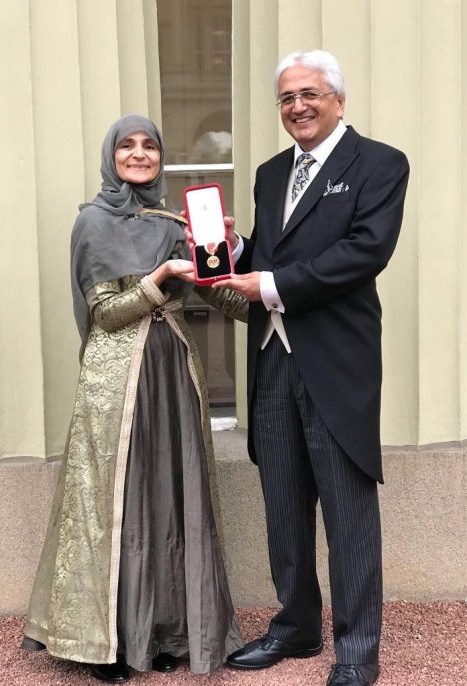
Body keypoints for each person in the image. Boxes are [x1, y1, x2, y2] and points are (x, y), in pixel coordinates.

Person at [21, 114, 246, 682]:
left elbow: (230, 304)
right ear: (112, 156)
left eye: (150, 145)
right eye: (128, 146)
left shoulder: (173, 221)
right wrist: (160, 276)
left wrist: (228, 251)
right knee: (118, 504)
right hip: (117, 381)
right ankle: (108, 644)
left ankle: (165, 631)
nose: (141, 154)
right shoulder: (93, 222)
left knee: (170, 498)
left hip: (172, 372)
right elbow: (105, 315)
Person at [217, 50, 410, 686]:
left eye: (309, 94)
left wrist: (267, 282)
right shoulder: (272, 174)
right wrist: (234, 249)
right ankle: (297, 624)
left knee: (347, 508)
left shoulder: (379, 164)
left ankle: (357, 647)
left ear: (337, 99)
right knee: (283, 502)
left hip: (335, 362)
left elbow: (364, 252)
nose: (297, 106)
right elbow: (270, 254)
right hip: (272, 358)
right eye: (286, 98)